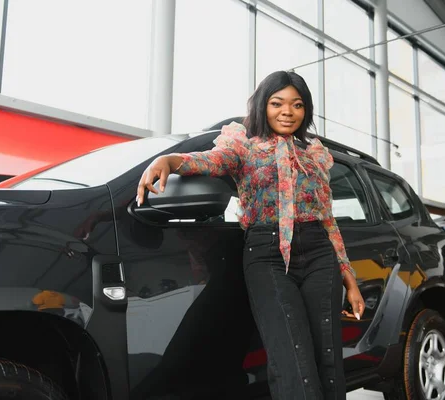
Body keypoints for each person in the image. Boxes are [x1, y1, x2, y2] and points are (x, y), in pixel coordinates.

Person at [136, 70, 365, 400]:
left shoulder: (313, 153)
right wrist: (171, 160)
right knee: (292, 359)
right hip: (268, 255)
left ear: (306, 111)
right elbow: (213, 160)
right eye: (277, 103)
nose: (287, 111)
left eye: (297, 105)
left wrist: (350, 279)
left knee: (328, 359)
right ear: (263, 105)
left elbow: (328, 220)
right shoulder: (243, 145)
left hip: (319, 255)